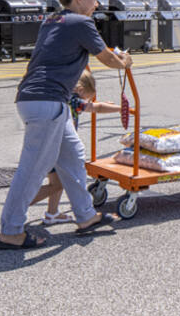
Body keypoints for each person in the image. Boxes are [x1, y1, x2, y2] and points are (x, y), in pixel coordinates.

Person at [0, 0, 131, 250]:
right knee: (33, 169)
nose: (97, 4)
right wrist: (125, 62)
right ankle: (11, 231)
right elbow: (108, 58)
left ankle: (85, 216)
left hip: (36, 98)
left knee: (72, 155)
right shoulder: (82, 23)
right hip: (48, 102)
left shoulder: (53, 20)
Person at [29, 69, 121, 225]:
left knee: (56, 182)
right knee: (58, 184)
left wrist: (106, 105)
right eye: (88, 96)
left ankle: (52, 213)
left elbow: (96, 105)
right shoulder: (74, 100)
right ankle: (20, 204)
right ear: (80, 90)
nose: (88, 100)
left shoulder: (63, 97)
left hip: (52, 145)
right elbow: (95, 108)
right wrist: (120, 109)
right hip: (59, 148)